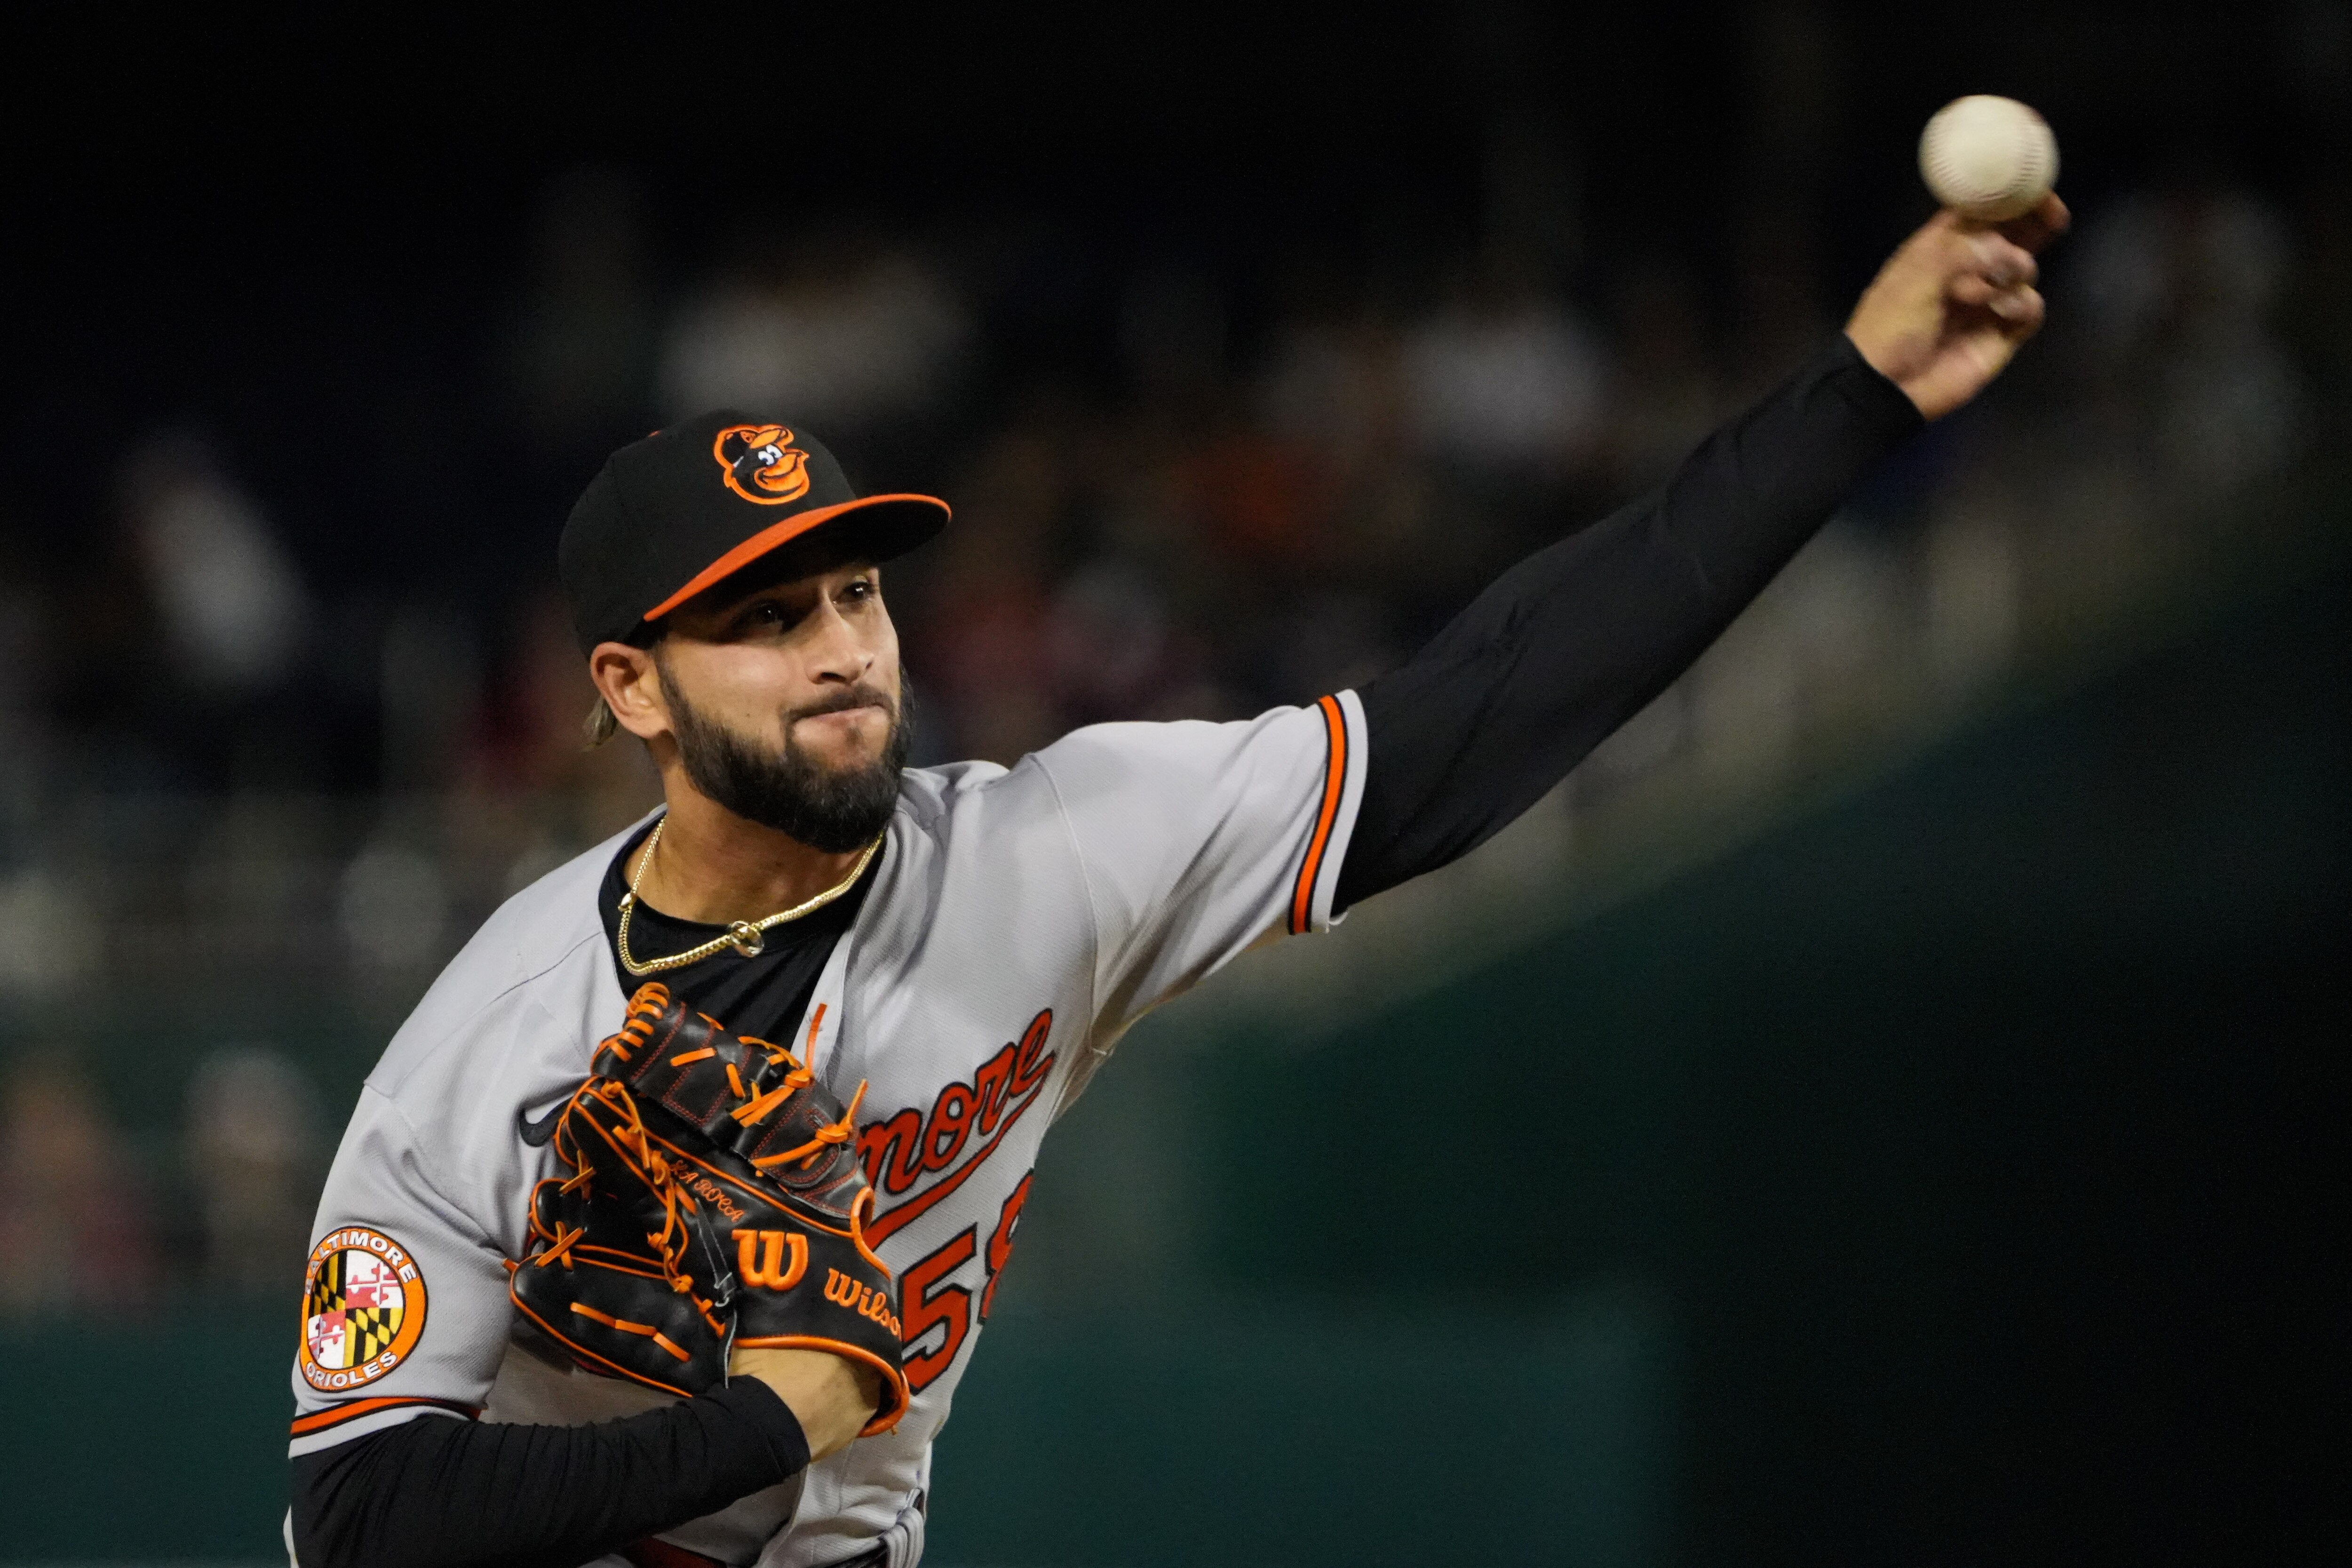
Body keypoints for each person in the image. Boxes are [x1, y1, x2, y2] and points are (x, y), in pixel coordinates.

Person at [287, 199, 2066, 1568]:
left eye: (855, 596)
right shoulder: (505, 1030)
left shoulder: (1053, 853)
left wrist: (1860, 396)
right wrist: (758, 1426)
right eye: (762, 621)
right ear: (628, 689)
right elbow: (358, 1513)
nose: (841, 650)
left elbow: (1477, 716)